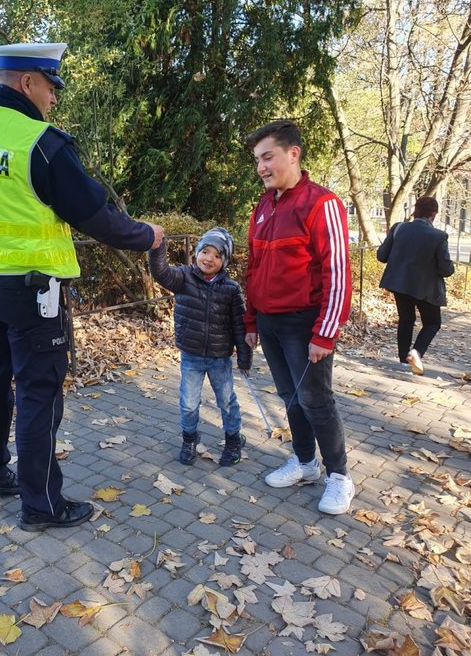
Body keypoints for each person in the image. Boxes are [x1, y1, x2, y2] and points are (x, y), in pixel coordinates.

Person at [0, 42, 164, 532]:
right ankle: (41, 506)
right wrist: (149, 235)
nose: (54, 99)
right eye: (51, 87)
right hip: (31, 293)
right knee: (39, 392)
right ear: (27, 83)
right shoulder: (41, 143)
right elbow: (96, 218)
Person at [244, 120, 354, 515]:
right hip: (270, 325)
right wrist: (252, 321)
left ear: (293, 154)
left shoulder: (321, 203)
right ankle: (306, 464)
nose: (261, 166)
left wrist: (325, 333)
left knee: (316, 400)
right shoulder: (262, 207)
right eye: (257, 159)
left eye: (267, 156)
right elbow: (253, 268)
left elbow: (337, 272)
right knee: (290, 398)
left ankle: (339, 477)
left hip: (305, 325)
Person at [149, 228, 252, 466]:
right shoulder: (184, 278)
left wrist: (244, 359)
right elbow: (161, 272)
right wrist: (157, 247)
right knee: (188, 403)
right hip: (191, 356)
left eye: (217, 255)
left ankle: (234, 439)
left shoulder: (231, 289)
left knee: (226, 401)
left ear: (223, 261)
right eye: (205, 251)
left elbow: (239, 326)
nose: (209, 258)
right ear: (197, 253)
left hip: (219, 357)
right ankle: (189, 439)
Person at [376, 196, 455, 376]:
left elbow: (382, 256)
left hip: (399, 283)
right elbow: (445, 269)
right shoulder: (438, 236)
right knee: (433, 322)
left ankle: (404, 360)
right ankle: (416, 352)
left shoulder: (399, 228)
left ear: (416, 210)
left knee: (406, 319)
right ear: (433, 214)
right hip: (425, 288)